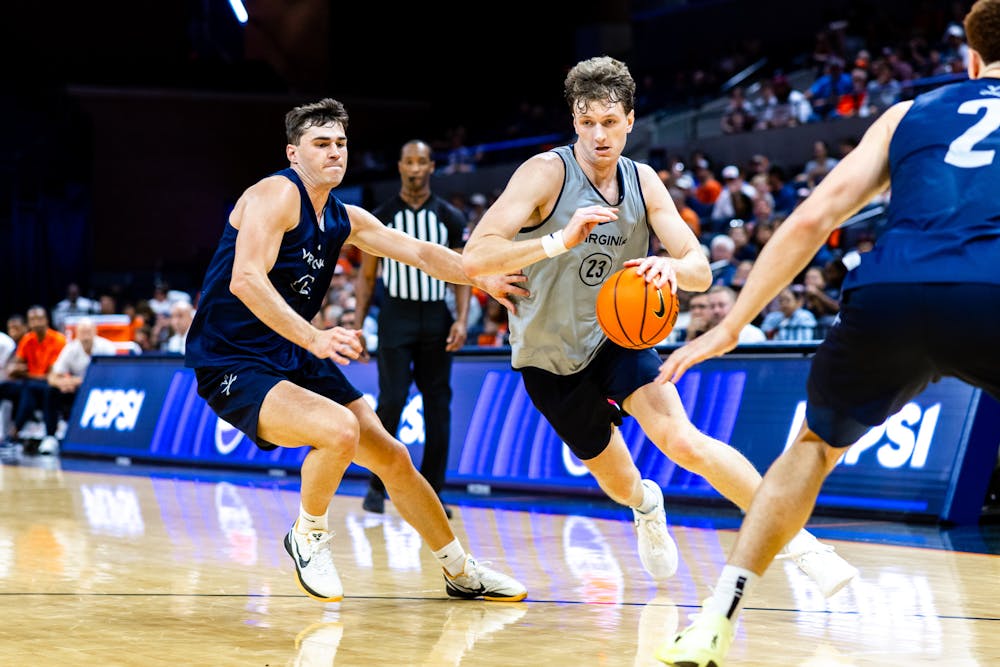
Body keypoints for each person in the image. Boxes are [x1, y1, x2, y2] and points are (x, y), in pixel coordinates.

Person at [655, 3, 1000, 664]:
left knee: (812, 447)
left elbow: (815, 217)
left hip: (890, 290)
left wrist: (733, 322)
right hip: (991, 286)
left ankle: (716, 620)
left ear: (970, 60)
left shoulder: (910, 113)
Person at [462, 55, 854, 593]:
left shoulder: (642, 181)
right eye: (586, 123)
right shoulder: (546, 173)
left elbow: (698, 271)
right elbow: (475, 255)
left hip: (618, 338)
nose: (598, 135)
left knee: (683, 440)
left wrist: (670, 265)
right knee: (620, 482)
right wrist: (556, 240)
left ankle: (801, 544)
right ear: (574, 122)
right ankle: (648, 505)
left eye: (608, 122)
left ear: (629, 119)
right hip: (548, 355)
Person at [184, 98, 529, 604]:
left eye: (341, 143)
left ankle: (460, 570)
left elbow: (418, 252)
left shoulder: (344, 217)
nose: (334, 153)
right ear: (293, 152)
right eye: (320, 144)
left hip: (293, 353)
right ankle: (308, 535)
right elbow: (245, 279)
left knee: (392, 455)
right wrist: (316, 337)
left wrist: (483, 277)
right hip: (232, 358)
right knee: (339, 432)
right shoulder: (274, 195)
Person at [354, 139, 471, 520]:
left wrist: (461, 318)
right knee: (390, 401)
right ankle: (376, 486)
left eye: (423, 162)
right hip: (395, 318)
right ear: (400, 167)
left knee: (439, 407)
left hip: (436, 317)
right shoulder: (381, 216)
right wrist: (357, 327)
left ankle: (434, 492)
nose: (416, 168)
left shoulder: (449, 217)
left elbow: (462, 274)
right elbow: (367, 278)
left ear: (432, 167)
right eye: (409, 162)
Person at [46, 317, 117, 454]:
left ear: (95, 332)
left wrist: (76, 381)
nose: (85, 335)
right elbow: (52, 377)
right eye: (82, 332)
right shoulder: (71, 349)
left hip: (101, 391)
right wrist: (63, 383)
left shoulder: (107, 348)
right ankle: (50, 437)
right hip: (77, 391)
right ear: (76, 334)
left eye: (88, 331)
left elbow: (111, 376)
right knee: (51, 391)